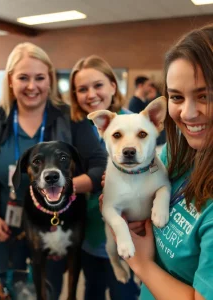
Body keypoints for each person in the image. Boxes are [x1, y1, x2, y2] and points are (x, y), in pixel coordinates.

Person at [0, 42, 107, 299]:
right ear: (11, 80)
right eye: (23, 77)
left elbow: (99, 167)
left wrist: (61, 187)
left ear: (50, 80)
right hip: (6, 224)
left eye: (40, 78)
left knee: (50, 289)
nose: (32, 86)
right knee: (10, 289)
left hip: (59, 223)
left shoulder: (70, 119)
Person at [105, 24, 213, 300]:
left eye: (205, 96)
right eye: (177, 97)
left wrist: (141, 264)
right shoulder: (178, 153)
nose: (187, 114)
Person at [69, 55, 139, 300]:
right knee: (93, 292)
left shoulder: (134, 124)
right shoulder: (76, 128)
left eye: (98, 85)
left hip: (127, 238)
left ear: (113, 85)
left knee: (124, 294)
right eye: (82, 89)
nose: (91, 94)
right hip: (90, 235)